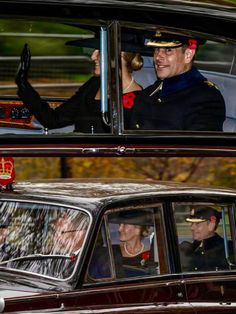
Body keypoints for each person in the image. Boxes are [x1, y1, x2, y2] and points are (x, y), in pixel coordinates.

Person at [15, 43, 143, 133]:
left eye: (99, 51)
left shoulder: (138, 101)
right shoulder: (93, 84)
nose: (93, 57)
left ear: (118, 55)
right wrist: (23, 84)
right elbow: (53, 120)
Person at [130, 32, 226, 131]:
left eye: (168, 50)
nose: (158, 57)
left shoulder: (207, 98)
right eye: (157, 49)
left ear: (188, 55)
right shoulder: (148, 93)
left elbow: (200, 145)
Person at [179, 206, 233, 271]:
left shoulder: (228, 249)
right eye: (192, 223)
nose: (192, 228)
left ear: (211, 224)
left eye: (197, 224)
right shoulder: (185, 248)